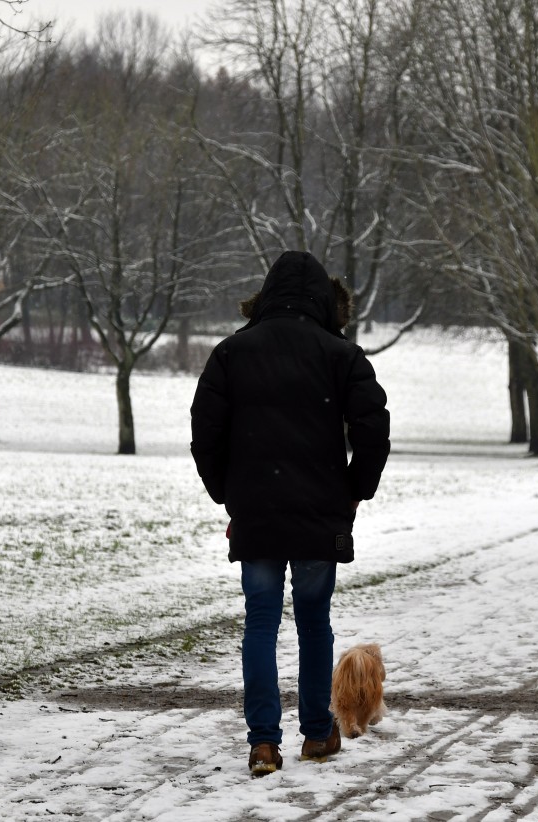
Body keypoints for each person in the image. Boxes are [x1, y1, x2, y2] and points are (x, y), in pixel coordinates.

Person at [190, 250, 390, 777]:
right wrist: (354, 491)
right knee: (312, 622)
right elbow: (374, 428)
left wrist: (225, 493)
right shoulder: (339, 354)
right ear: (324, 299)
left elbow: (204, 431)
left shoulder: (231, 353)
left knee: (259, 622)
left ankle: (262, 743)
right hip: (319, 510)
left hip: (255, 509)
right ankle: (318, 733)